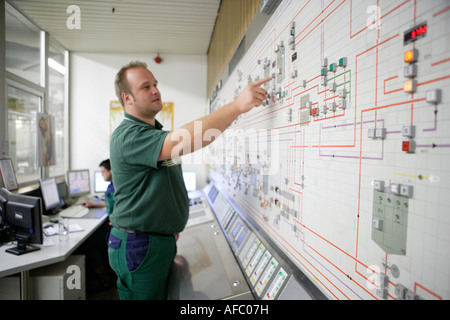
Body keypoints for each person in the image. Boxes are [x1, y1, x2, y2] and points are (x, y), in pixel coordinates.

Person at [108, 60, 271, 300]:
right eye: (145, 87)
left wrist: (168, 234)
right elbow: (186, 138)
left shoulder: (152, 133)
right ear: (127, 98)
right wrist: (237, 106)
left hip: (154, 242)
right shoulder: (130, 135)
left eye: (155, 84)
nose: (155, 90)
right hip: (140, 245)